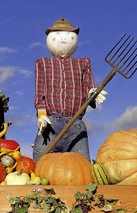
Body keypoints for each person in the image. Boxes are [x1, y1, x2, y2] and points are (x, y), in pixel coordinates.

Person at [33, 18, 107, 162]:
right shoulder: (42, 63)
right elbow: (40, 91)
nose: (63, 38)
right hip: (51, 124)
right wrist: (41, 114)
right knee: (39, 163)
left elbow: (89, 90)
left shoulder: (83, 63)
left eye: (68, 34)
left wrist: (93, 94)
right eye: (58, 34)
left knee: (83, 165)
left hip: (76, 124)